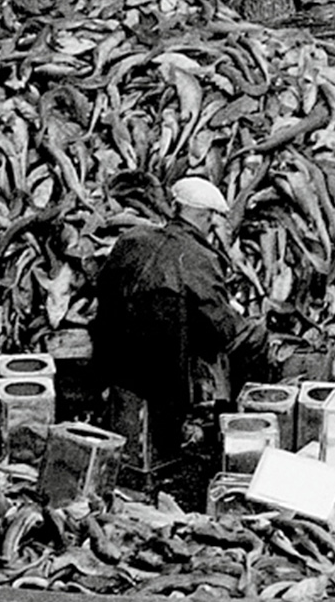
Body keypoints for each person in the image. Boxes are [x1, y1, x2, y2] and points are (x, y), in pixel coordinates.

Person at [89, 176, 253, 467]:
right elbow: (223, 329)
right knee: (247, 341)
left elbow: (102, 288)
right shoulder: (198, 257)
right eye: (211, 219)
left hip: (109, 361)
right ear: (204, 216)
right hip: (160, 376)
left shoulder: (132, 238)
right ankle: (229, 434)